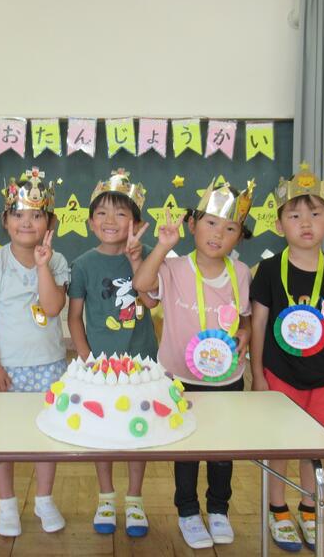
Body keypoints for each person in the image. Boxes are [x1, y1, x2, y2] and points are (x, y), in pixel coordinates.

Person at [133, 179, 254, 550]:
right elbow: (142, 283)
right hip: (180, 378)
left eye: (230, 228)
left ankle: (218, 509)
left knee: (222, 450)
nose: (218, 234)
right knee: (185, 450)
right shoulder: (173, 269)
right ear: (192, 224)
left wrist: (246, 333)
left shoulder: (241, 273)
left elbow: (245, 318)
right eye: (211, 223)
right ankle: (187, 511)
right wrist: (163, 247)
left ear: (239, 236)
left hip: (227, 378)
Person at [249, 164, 324, 552]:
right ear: (279, 224)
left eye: (315, 213)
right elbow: (258, 324)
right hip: (279, 374)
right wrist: (258, 375)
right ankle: (277, 509)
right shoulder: (268, 270)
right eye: (295, 216)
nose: (306, 223)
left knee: (315, 447)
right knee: (278, 445)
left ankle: (310, 509)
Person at [0, 167, 69, 537]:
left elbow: (52, 308)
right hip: (6, 369)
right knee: (4, 438)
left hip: (48, 367)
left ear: (50, 222)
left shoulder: (57, 262)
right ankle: (7, 504)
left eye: (36, 215)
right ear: (5, 220)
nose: (26, 222)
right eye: (17, 214)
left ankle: (44, 499)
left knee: (46, 436)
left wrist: (43, 266)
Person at [67, 169, 157, 538]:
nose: (110, 220)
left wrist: (137, 260)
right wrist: (88, 360)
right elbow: (74, 317)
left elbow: (151, 301)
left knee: (138, 433)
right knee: (101, 433)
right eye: (102, 213)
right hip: (99, 368)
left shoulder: (148, 255)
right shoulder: (83, 264)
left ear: (136, 222)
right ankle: (106, 497)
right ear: (90, 222)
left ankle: (134, 499)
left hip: (142, 364)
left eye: (121, 213)